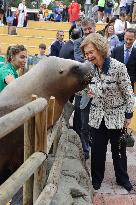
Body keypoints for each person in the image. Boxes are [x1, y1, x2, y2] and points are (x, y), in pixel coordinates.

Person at [80, 33, 134, 191]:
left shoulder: (118, 67)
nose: (88, 56)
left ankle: (122, 178)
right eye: (86, 53)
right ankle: (97, 179)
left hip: (117, 117)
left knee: (118, 151)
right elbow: (83, 88)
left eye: (91, 52)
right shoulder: (89, 68)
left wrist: (128, 114)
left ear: (100, 49)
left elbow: (128, 93)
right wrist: (87, 90)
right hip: (97, 116)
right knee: (97, 151)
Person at [73, 18, 96, 159]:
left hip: (98, 88)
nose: (87, 31)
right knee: (82, 120)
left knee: (95, 120)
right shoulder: (77, 43)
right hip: (82, 88)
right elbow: (80, 62)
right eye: (85, 29)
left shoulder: (100, 41)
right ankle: (84, 149)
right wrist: (94, 58)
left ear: (94, 27)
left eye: (89, 29)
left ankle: (90, 143)